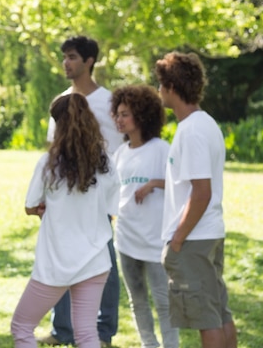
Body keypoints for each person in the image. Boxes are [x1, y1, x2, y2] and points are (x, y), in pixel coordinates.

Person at [11, 93, 120, 348]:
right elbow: (111, 210)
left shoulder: (49, 163)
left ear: (57, 124)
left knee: (22, 326)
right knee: (86, 334)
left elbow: (30, 205)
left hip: (57, 262)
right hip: (96, 260)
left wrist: (43, 208)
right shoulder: (105, 162)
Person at [41, 36, 123, 348]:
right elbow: (54, 150)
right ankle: (62, 330)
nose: (66, 62)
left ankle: (103, 332)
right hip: (64, 198)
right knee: (62, 258)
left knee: (105, 262)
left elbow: (123, 148)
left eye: (72, 57)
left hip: (99, 198)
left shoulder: (109, 101)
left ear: (89, 61)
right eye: (64, 57)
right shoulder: (61, 101)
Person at [154, 52, 237, 348]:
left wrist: (177, 240)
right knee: (218, 314)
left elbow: (202, 192)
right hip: (207, 235)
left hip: (194, 239)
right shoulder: (204, 124)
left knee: (206, 320)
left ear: (173, 87)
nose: (159, 91)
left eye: (161, 84)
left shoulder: (192, 130)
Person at [111, 85, 179, 348]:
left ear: (141, 115)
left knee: (163, 300)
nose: (119, 119)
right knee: (136, 299)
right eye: (117, 114)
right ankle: (148, 344)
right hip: (126, 238)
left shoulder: (162, 149)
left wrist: (152, 184)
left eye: (125, 114)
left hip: (155, 239)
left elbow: (180, 184)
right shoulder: (119, 153)